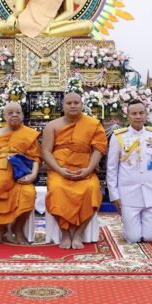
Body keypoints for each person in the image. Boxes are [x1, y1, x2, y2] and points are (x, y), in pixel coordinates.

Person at [43, 91, 108, 249]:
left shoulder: (93, 124)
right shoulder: (52, 126)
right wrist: (59, 170)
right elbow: (45, 151)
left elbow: (98, 149)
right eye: (69, 103)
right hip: (59, 171)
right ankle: (65, 233)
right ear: (63, 105)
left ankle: (78, 233)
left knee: (93, 189)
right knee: (56, 190)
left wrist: (88, 169)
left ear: (82, 104)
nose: (72, 106)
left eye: (76, 103)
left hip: (84, 171)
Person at [0, 102, 40, 244]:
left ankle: (18, 229)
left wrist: (33, 175)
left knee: (28, 194)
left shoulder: (29, 134)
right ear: (4, 116)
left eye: (18, 112)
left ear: (22, 115)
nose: (14, 115)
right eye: (10, 113)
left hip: (18, 175)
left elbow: (35, 158)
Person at [106, 100, 152, 243]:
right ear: (127, 116)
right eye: (134, 113)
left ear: (146, 114)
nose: (138, 116)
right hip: (128, 195)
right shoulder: (118, 137)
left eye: (141, 113)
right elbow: (112, 169)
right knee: (133, 238)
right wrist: (114, 195)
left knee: (151, 237)